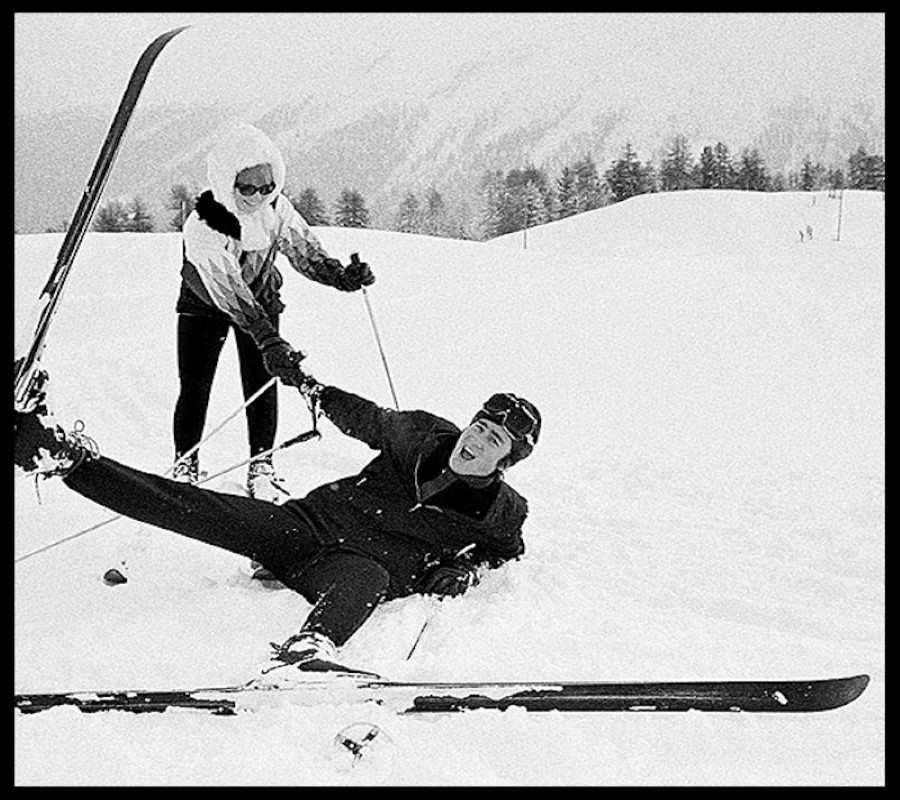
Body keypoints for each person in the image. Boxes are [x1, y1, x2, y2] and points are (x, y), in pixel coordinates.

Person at [14, 370, 541, 676]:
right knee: (197, 508)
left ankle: (308, 652)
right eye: (480, 425)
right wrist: (308, 385)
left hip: (349, 567)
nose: (476, 440)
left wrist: (464, 571)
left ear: (505, 462)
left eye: (494, 440)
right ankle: (60, 457)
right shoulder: (424, 436)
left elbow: (505, 550)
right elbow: (366, 416)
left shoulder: (501, 510)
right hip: (304, 527)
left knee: (370, 580)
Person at [174, 122, 374, 500]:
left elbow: (305, 252)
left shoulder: (276, 209)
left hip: (261, 299)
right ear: (226, 182)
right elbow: (229, 292)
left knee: (262, 382)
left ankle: (262, 464)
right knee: (196, 386)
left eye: (267, 186)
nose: (258, 195)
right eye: (246, 187)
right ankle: (185, 463)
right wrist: (268, 338)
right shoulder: (203, 225)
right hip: (205, 306)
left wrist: (343, 277)